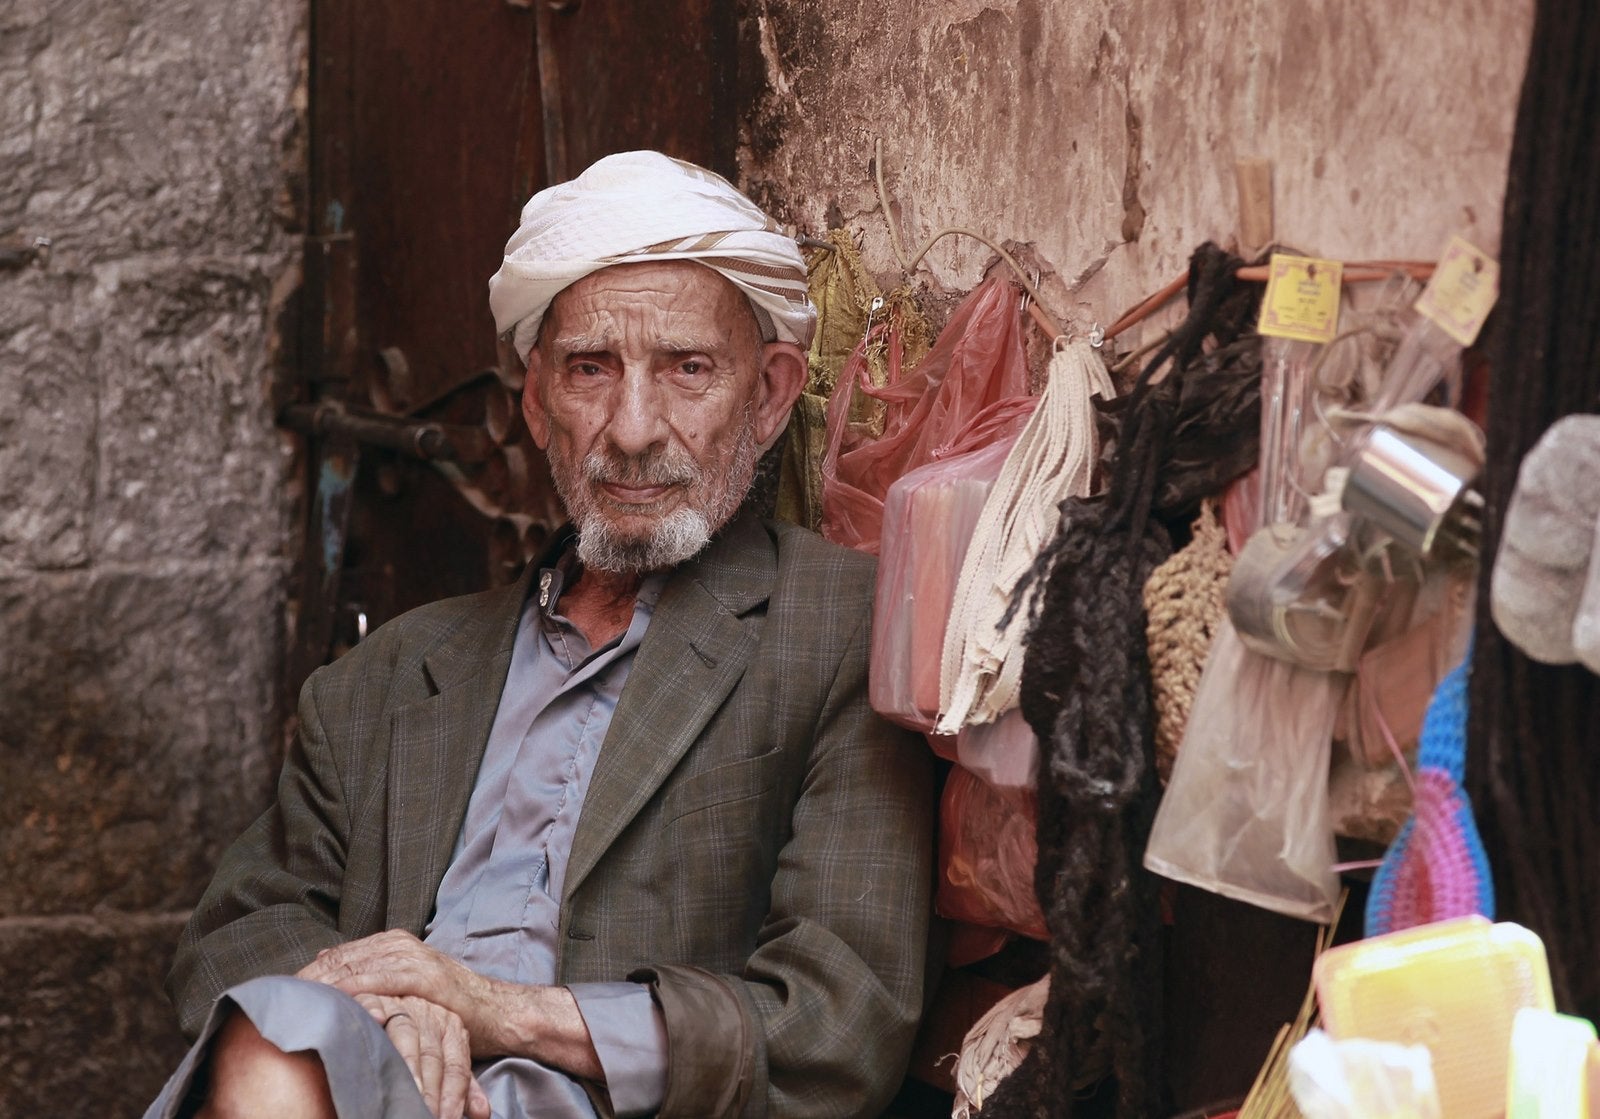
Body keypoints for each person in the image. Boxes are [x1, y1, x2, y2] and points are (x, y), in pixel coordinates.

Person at [142, 152, 934, 1119]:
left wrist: (498, 1011)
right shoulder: (386, 676)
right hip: (360, 1087)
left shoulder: (840, 628)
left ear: (769, 395)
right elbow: (233, 933)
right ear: (535, 403)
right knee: (283, 1047)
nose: (634, 429)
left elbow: (839, 1023)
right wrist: (377, 1012)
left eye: (687, 368)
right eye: (591, 369)